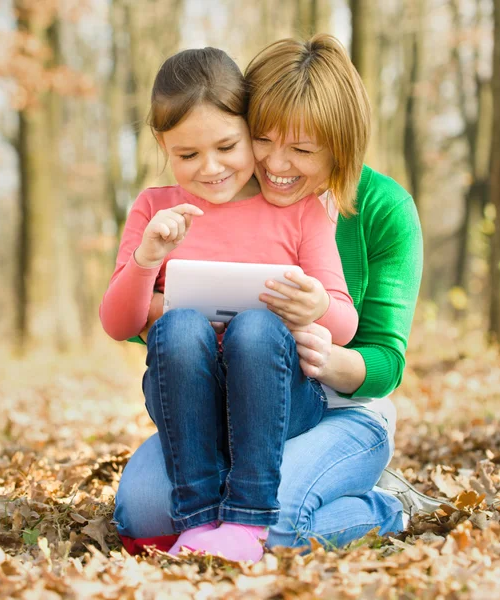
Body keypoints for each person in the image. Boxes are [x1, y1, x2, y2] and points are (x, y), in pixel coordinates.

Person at [112, 34, 426, 556]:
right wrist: (158, 311)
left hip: (337, 408)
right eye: (262, 138)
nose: (276, 163)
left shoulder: (384, 208)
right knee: (142, 514)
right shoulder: (222, 189)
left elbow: (386, 362)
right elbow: (169, 338)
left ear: (340, 146)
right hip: (229, 410)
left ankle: (386, 506)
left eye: (302, 149)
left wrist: (327, 355)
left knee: (272, 523)